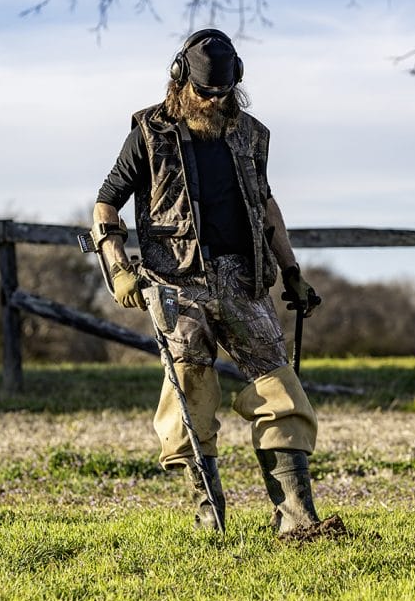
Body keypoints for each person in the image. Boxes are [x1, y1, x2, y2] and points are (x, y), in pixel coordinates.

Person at [92, 28, 325, 535]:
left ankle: (298, 519)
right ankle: (210, 516)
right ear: (180, 80)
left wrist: (292, 272)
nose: (214, 102)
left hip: (242, 280)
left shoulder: (250, 134)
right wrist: (119, 268)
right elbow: (106, 202)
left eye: (223, 93)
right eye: (205, 92)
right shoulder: (149, 134)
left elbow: (266, 207)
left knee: (280, 388)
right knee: (189, 394)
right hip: (176, 283)